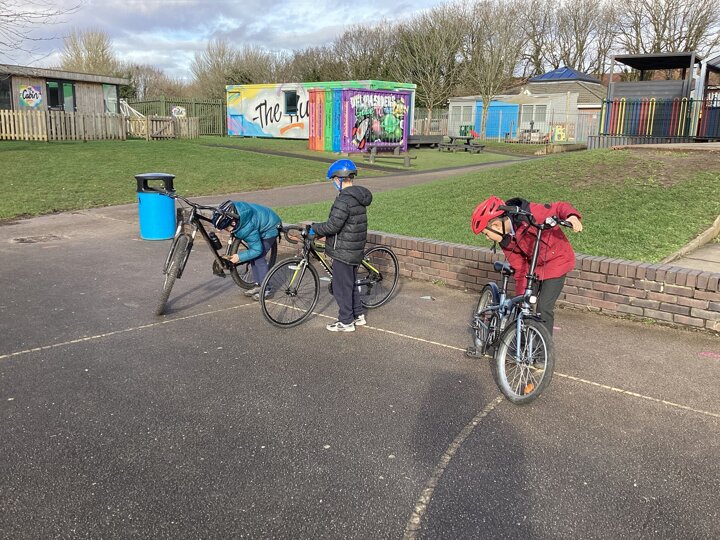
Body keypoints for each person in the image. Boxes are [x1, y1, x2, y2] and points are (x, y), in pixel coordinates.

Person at [470, 195, 583, 335]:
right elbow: (520, 266)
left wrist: (572, 217)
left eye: (486, 234)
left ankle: (542, 346)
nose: (487, 238)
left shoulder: (530, 213)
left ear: (496, 226)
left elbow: (559, 207)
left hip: (557, 260)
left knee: (544, 307)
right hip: (535, 265)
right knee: (524, 303)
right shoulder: (505, 239)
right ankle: (522, 341)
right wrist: (521, 296)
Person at [311, 159, 373, 332]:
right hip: (354, 249)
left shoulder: (344, 200)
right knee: (350, 284)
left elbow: (333, 226)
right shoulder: (358, 197)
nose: (333, 183)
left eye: (333, 179)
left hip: (343, 251)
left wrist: (314, 228)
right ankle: (358, 315)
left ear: (339, 179)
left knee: (341, 288)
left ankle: (346, 322)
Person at [211, 200, 282, 301]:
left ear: (233, 222)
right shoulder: (234, 212)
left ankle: (267, 289)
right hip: (263, 218)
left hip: (271, 228)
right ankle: (258, 284)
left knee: (259, 257)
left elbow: (257, 250)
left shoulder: (246, 227)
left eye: (226, 228)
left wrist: (239, 257)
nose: (226, 231)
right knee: (253, 257)